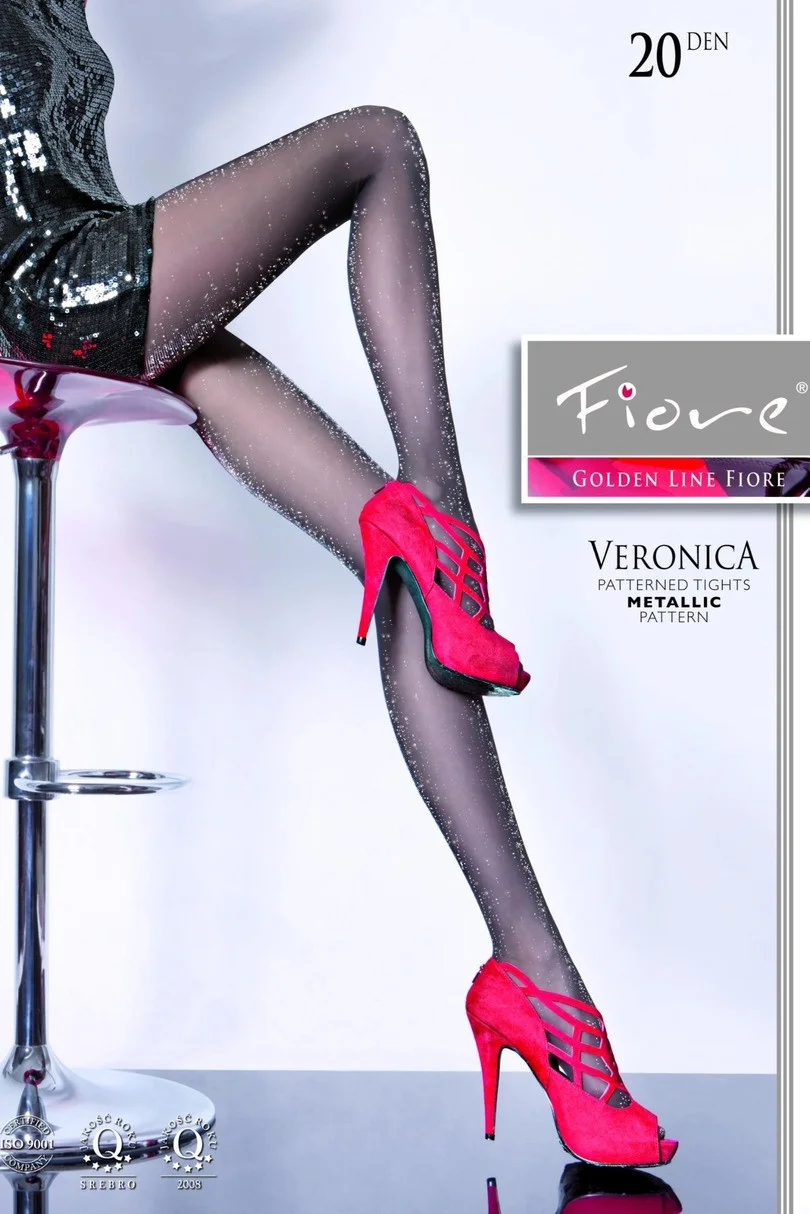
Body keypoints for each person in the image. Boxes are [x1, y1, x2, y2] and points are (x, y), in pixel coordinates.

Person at [0, 0, 676, 1167]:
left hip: (99, 277)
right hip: (41, 286)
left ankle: (538, 977)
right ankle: (455, 535)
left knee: (402, 562)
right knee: (379, 144)